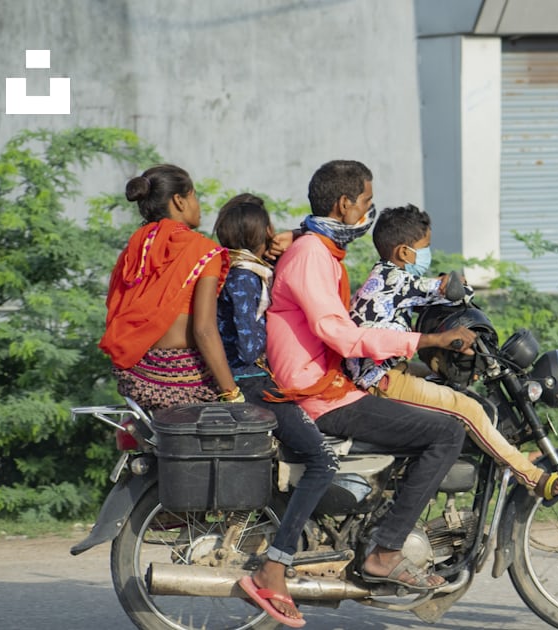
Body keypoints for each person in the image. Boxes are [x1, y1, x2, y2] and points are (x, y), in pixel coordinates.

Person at [264, 160, 474, 591]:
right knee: (447, 433)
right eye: (365, 202)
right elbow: (340, 335)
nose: (368, 212)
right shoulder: (311, 254)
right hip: (319, 394)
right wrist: (427, 341)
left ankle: (381, 526)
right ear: (344, 205)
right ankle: (386, 552)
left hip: (328, 384)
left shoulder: (317, 249)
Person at [347, 204, 558, 502]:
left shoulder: (383, 278)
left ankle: (507, 455)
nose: (426, 254)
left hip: (382, 371)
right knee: (468, 409)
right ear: (404, 252)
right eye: (424, 247)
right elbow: (452, 291)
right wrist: (455, 284)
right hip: (382, 380)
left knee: (452, 386)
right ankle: (532, 477)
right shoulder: (395, 279)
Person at [215, 194, 334, 628]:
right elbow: (249, 344)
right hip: (250, 382)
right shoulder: (245, 277)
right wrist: (283, 330)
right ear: (258, 234)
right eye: (268, 229)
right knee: (322, 461)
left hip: (249, 380)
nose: (273, 235)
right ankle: (276, 564)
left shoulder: (236, 267)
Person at [99, 164, 242, 410]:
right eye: (195, 196)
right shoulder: (203, 251)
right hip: (184, 383)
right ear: (179, 201)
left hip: (137, 380)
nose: (198, 206)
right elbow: (204, 331)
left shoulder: (135, 250)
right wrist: (232, 394)